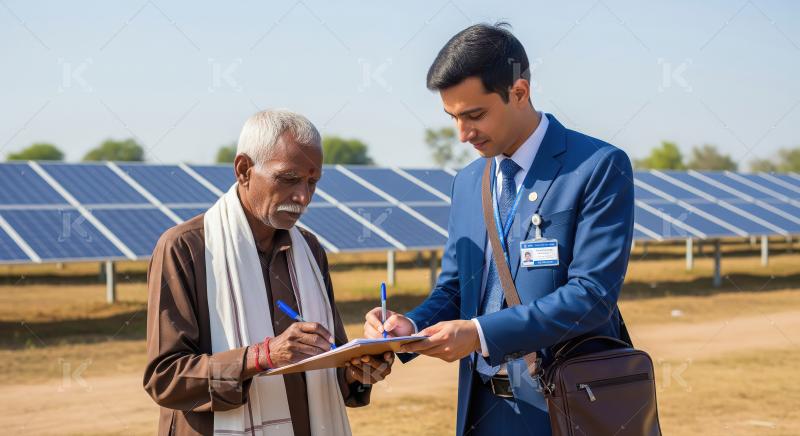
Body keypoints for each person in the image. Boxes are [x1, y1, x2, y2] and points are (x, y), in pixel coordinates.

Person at [364, 23, 634, 435]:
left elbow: (592, 296)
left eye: (475, 115)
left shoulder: (596, 166)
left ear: (519, 92)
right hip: (483, 410)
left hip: (565, 405)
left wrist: (480, 333)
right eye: (453, 118)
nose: (463, 134)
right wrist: (411, 327)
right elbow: (456, 286)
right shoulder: (469, 182)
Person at [145, 109, 393, 436]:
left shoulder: (309, 250)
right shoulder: (186, 248)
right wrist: (262, 357)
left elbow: (331, 361)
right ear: (244, 169)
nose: (303, 197)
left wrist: (358, 371)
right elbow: (166, 378)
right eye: (288, 179)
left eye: (312, 182)